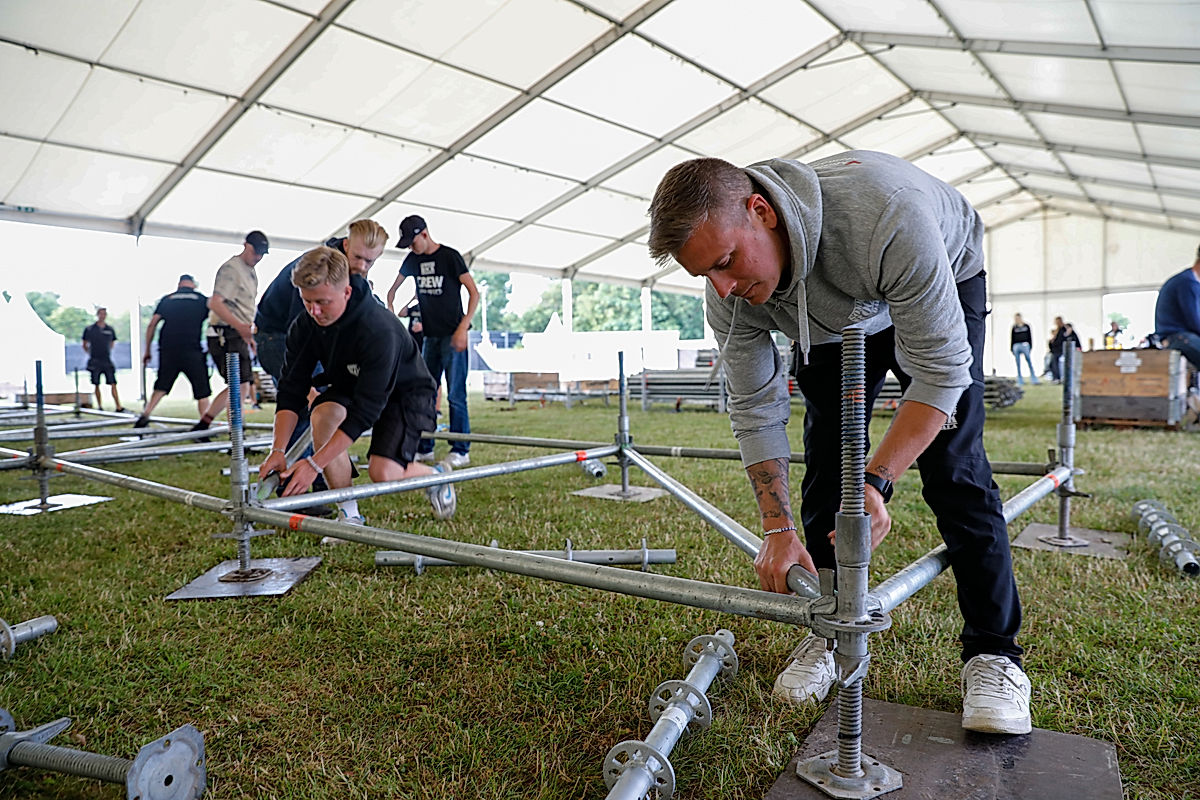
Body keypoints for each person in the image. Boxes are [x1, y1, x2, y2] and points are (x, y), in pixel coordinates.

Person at [648, 151, 1031, 735]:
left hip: (938, 272)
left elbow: (941, 372)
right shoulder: (732, 290)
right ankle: (830, 630)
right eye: (707, 276)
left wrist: (877, 481)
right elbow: (755, 406)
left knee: (954, 465)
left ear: (762, 211)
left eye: (726, 262)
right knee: (826, 456)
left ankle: (994, 655)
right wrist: (777, 531)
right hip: (824, 310)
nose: (723, 289)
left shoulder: (889, 214)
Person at [258, 246, 455, 540]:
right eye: (307, 301)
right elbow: (291, 388)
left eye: (323, 302)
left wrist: (314, 464)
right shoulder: (305, 323)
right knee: (322, 413)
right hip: (351, 382)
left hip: (405, 392)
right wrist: (278, 450)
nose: (314, 311)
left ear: (347, 293)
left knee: (383, 473)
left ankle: (436, 477)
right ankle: (350, 515)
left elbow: (366, 411)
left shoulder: (378, 329)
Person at [386, 216, 479, 468]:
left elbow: (474, 292)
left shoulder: (450, 257)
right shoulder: (412, 260)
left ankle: (461, 449)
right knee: (424, 392)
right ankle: (424, 446)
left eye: (412, 242)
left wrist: (463, 328)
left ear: (424, 234)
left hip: (452, 335)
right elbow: (392, 290)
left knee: (456, 394)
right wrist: (391, 307)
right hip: (429, 338)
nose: (410, 248)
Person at [192, 231, 268, 435]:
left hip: (238, 333)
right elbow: (215, 303)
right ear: (245, 245)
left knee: (239, 385)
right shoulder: (231, 269)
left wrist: (248, 334)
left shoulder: (251, 272)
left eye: (262, 254)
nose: (258, 258)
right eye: (255, 252)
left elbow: (245, 308)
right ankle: (236, 437)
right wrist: (240, 327)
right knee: (240, 385)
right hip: (224, 333)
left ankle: (204, 425)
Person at [135, 275, 211, 427]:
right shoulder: (202, 299)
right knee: (202, 390)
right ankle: (204, 424)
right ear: (193, 285)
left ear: (178, 285)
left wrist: (147, 350)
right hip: (192, 349)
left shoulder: (167, 299)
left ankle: (145, 415)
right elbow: (215, 321)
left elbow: (152, 324)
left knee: (161, 385)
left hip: (168, 349)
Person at [1153, 245, 1200, 375]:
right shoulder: (1187, 283)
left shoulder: (1190, 282)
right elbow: (1195, 322)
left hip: (1183, 336)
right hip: (1177, 337)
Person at [81, 307, 125, 412]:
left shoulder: (110, 329)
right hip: (95, 360)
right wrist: (90, 353)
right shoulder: (90, 329)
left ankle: (118, 406)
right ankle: (100, 406)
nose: (102, 316)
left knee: (113, 383)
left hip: (107, 360)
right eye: (100, 314)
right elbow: (84, 344)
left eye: (104, 314)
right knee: (96, 384)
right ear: (97, 315)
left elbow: (112, 343)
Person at [1010, 313, 1039, 386]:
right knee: (1018, 363)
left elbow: (1030, 337)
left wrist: (1030, 346)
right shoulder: (1014, 327)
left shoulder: (1026, 326)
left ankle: (1034, 379)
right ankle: (1020, 380)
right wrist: (1012, 348)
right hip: (1016, 345)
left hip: (1025, 344)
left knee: (1029, 361)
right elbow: (1012, 338)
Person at [1047, 316, 1066, 383]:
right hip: (1055, 350)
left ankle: (1057, 378)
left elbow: (1060, 341)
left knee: (1055, 363)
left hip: (1059, 350)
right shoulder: (1057, 331)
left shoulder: (1063, 330)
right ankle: (1055, 377)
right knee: (1051, 363)